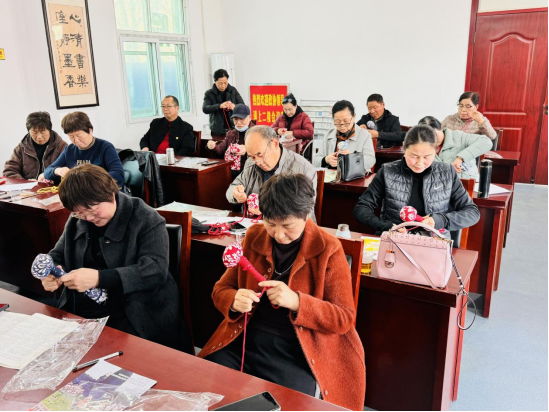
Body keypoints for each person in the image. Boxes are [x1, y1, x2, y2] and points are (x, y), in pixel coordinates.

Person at [200, 174, 366, 411]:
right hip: (245, 340)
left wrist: (298, 302)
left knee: (289, 404)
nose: (278, 234)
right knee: (206, 385)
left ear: (305, 215)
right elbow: (220, 290)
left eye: (287, 226)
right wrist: (234, 300)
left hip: (297, 351)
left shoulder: (328, 248)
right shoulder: (254, 236)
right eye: (270, 223)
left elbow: (344, 318)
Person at [41, 164, 193, 353]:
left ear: (110, 194)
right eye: (79, 213)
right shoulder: (77, 220)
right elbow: (56, 254)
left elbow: (155, 270)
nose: (89, 218)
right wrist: (52, 272)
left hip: (134, 312)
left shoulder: (146, 218)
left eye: (93, 209)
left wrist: (99, 278)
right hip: (85, 309)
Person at [353, 125, 480, 235]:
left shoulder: (447, 172)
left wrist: (440, 220)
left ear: (435, 151)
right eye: (414, 156)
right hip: (395, 240)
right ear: (404, 148)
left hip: (434, 243)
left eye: (427, 156)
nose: (419, 163)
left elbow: (472, 212)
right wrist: (387, 226)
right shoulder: (387, 171)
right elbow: (362, 208)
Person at [226, 126, 317, 218]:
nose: (257, 162)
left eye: (260, 155)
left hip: (285, 226)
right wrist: (235, 193)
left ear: (275, 143)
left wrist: (268, 210)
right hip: (253, 223)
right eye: (252, 157)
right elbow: (232, 188)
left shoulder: (303, 169)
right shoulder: (251, 163)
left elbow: (305, 213)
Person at [44, 112, 125, 187]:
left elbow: (119, 175)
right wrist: (57, 170)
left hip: (100, 191)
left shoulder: (105, 147)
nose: (76, 140)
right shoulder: (69, 150)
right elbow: (47, 172)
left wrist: (88, 178)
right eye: (71, 136)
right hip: (79, 193)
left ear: (90, 130)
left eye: (79, 135)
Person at [419, 116, 493, 180]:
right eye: (427, 137)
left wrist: (461, 158)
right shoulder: (420, 146)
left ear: (441, 128)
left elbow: (486, 142)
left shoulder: (459, 136)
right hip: (440, 187)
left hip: (467, 184)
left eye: (435, 135)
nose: (433, 140)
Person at [313, 100, 376, 173]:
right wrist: (326, 159)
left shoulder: (364, 135)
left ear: (354, 116)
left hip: (355, 176)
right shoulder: (328, 135)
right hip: (331, 175)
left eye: (346, 121)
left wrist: (352, 157)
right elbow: (315, 161)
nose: (342, 126)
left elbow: (371, 160)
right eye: (338, 122)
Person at [3, 112, 67, 181]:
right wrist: (25, 182)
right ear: (29, 131)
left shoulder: (62, 146)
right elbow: (9, 171)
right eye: (34, 132)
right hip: (29, 187)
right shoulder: (21, 148)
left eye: (42, 131)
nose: (39, 136)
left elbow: (70, 172)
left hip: (55, 186)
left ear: (49, 130)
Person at [206, 104, 255, 179]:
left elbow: (262, 150)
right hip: (232, 171)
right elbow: (220, 149)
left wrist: (247, 149)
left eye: (242, 119)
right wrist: (212, 146)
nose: (238, 123)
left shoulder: (257, 132)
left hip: (251, 171)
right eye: (235, 119)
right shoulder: (231, 134)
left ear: (249, 117)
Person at [203, 69, 244, 136]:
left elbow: (242, 106)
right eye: (220, 83)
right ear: (215, 81)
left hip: (233, 128)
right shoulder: (209, 93)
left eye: (225, 83)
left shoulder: (233, 90)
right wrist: (219, 106)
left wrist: (234, 106)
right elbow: (205, 108)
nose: (223, 86)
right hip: (217, 130)